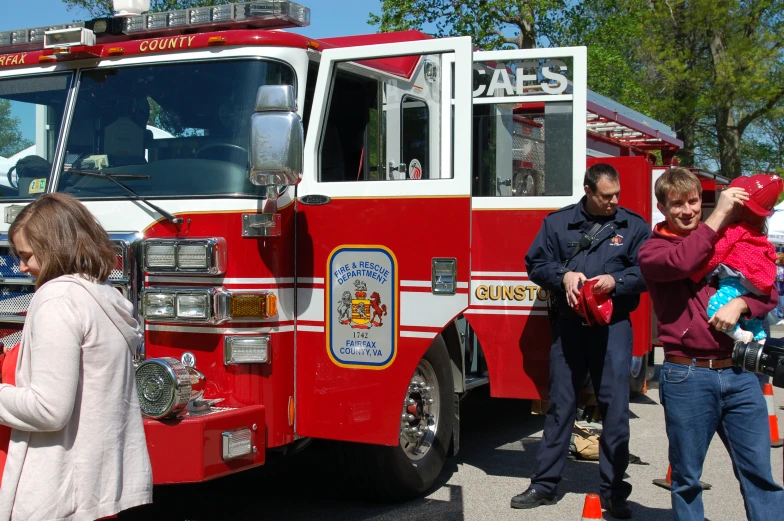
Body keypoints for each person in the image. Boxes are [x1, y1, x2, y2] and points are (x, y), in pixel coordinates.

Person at [638, 167, 784, 521]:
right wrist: (718, 214)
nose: (688, 210)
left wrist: (742, 304)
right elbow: (685, 260)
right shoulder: (653, 250)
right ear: (661, 206)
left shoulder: (728, 238)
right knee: (686, 478)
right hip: (687, 375)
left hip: (741, 373)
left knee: (760, 476)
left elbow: (768, 290)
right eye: (677, 204)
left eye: (693, 202)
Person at [0, 193, 152, 520]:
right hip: (96, 490)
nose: (22, 266)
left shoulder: (56, 299)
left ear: (54, 247)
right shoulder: (103, 296)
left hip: (56, 494)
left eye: (27, 255)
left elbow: (49, 409)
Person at [512, 163, 650, 519]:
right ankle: (544, 485)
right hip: (570, 327)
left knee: (615, 412)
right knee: (560, 406)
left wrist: (615, 281)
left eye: (617, 194)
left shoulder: (632, 225)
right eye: (606, 196)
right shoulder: (557, 223)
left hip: (613, 329)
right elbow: (535, 263)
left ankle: (614, 492)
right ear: (588, 190)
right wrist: (564, 275)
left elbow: (648, 271)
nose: (614, 201)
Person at [689, 174, 784, 343]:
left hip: (734, 281)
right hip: (757, 285)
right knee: (750, 318)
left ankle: (740, 335)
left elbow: (716, 253)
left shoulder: (733, 231)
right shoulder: (761, 239)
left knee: (714, 308)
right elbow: (770, 266)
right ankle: (760, 338)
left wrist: (697, 273)